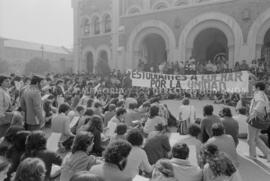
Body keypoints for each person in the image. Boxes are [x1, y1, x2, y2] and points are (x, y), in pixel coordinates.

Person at [248, 82, 270, 161]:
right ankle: (268, 153)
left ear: (257, 88)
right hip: (262, 119)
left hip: (255, 119)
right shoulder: (264, 95)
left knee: (251, 139)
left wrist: (253, 114)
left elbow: (260, 104)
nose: (253, 88)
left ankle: (252, 155)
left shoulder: (258, 94)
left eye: (254, 87)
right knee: (256, 138)